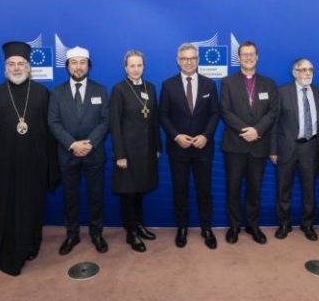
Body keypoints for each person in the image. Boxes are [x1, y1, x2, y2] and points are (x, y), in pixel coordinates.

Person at [0, 41, 59, 276]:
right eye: (12, 64)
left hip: (35, 164)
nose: (17, 68)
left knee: (33, 207)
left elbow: (51, 133)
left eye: (21, 63)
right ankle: (4, 246)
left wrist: (52, 166)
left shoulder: (42, 93)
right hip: (4, 165)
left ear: (29, 66)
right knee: (6, 207)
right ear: (5, 67)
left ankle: (32, 244)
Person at [48, 46, 110, 255]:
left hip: (94, 153)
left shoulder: (100, 90)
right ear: (67, 66)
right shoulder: (56, 92)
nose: (78, 67)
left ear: (88, 66)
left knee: (96, 195)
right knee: (70, 196)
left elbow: (105, 121)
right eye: (74, 62)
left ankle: (96, 234)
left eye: (82, 62)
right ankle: (72, 234)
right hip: (68, 153)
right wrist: (73, 145)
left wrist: (89, 143)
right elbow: (53, 122)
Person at [159, 43, 220, 249]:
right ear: (178, 61)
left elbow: (214, 113)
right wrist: (176, 136)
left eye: (192, 58)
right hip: (178, 149)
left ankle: (206, 228)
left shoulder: (209, 84)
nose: (188, 62)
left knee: (205, 190)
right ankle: (182, 228)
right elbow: (163, 115)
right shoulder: (168, 85)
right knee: (180, 190)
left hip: (203, 148)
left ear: (198, 60)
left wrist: (205, 136)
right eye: (184, 58)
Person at [220, 41, 279, 245]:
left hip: (258, 145)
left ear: (257, 56)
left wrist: (258, 130)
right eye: (244, 54)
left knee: (255, 188)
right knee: (233, 188)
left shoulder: (269, 84)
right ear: (239, 57)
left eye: (252, 54)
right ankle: (234, 226)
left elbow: (273, 112)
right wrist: (246, 131)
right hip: (235, 146)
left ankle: (253, 226)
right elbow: (225, 111)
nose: (248, 57)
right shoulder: (227, 82)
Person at [109, 50, 161, 252]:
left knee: (140, 190)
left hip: (147, 150)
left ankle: (139, 225)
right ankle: (131, 232)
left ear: (144, 67)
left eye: (139, 65)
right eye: (132, 65)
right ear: (125, 68)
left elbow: (154, 119)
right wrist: (120, 155)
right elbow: (115, 124)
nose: (136, 69)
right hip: (128, 153)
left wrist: (157, 146)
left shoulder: (151, 87)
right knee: (128, 193)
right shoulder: (119, 89)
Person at [270, 58, 319, 241]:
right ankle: (284, 223)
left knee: (309, 189)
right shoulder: (282, 92)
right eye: (303, 70)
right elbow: (274, 123)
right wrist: (273, 150)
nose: (308, 73)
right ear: (294, 72)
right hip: (286, 148)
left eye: (311, 69)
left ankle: (308, 224)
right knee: (284, 188)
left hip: (311, 147)